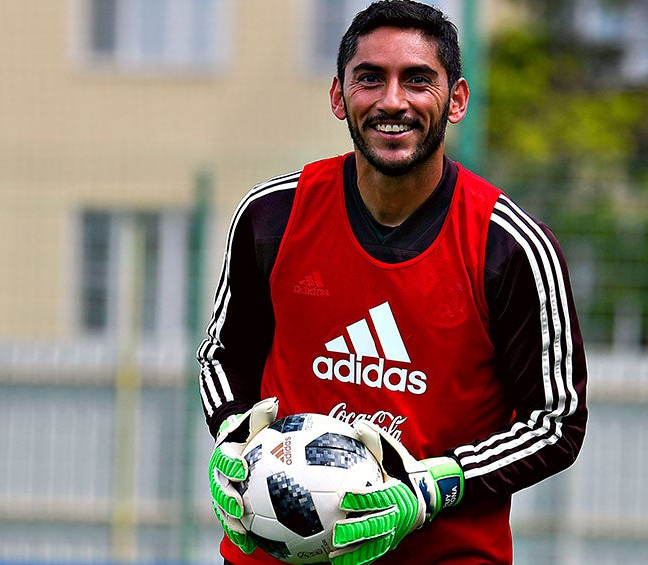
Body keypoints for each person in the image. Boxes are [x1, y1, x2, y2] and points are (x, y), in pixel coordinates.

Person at [198, 1, 588, 563]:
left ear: (456, 100)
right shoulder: (273, 217)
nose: (392, 101)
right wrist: (234, 433)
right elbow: (221, 355)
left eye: (418, 80)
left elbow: (557, 420)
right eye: (370, 79)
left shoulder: (508, 246)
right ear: (339, 96)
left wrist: (435, 486)